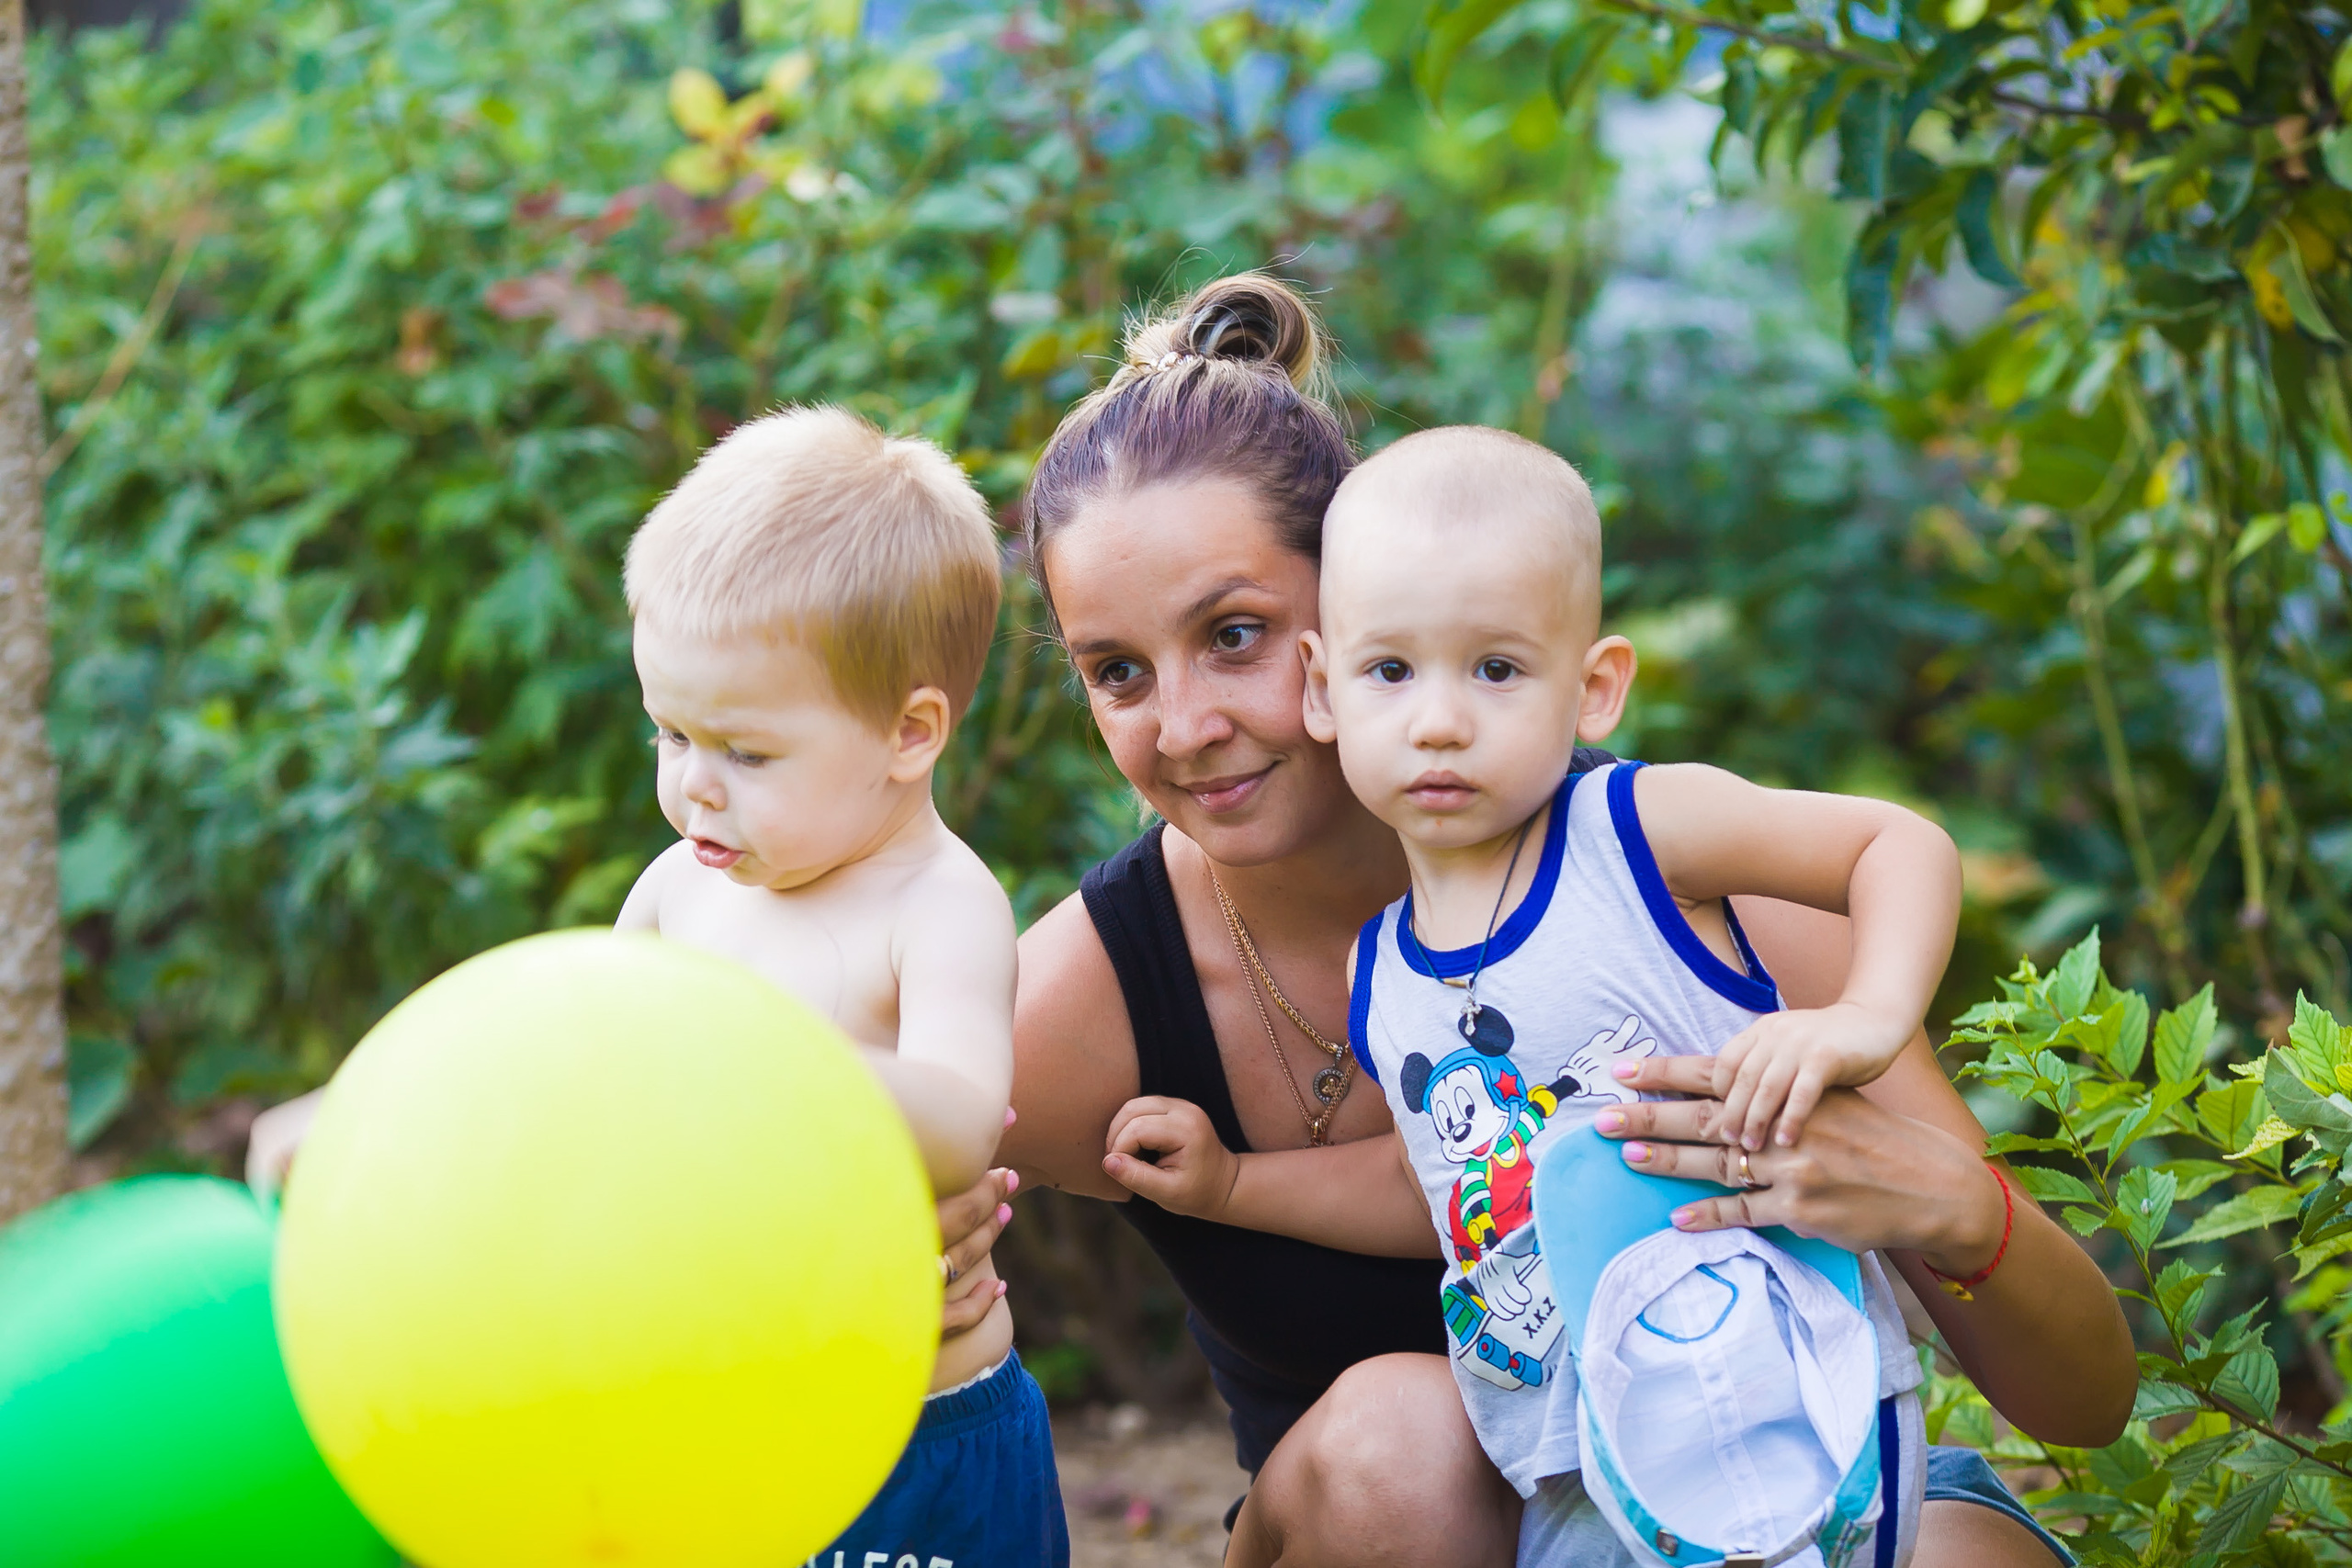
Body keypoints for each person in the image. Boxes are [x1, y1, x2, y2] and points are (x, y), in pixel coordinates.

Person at [984, 269, 2136, 1567]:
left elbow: (2086, 1402)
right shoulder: (1086, 999)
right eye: (1118, 671)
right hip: (1416, 1521)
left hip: (1784, 1476)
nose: (1184, 725)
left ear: (1350, 613)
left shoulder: (1696, 899)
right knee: (1405, 1442)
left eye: (1235, 633)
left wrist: (1952, 1205)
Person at [256, 407, 1067, 1568]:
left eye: (745, 752)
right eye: (668, 734)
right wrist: (361, 1127)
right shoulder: (678, 892)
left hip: (913, 1439)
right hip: (716, 1418)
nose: (695, 788)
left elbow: (957, 1119)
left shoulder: (936, 905)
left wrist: (758, 1059)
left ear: (909, 731)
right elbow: (563, 1072)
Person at [1299, 423, 1956, 1562]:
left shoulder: (1637, 836)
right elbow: (1441, 1192)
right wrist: (1224, 1185)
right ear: (1322, 689)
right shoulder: (1377, 974)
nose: (1439, 718)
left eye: (1496, 669)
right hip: (1569, 1461)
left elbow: (1896, 846)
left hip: (1784, 1400)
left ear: (1594, 688)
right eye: (1389, 670)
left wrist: (1863, 1018)